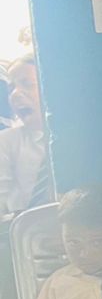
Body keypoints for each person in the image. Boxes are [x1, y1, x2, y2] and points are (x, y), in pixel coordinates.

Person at [0, 54, 51, 215]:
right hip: (22, 225)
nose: (15, 94)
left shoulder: (77, 139)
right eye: (11, 89)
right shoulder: (7, 141)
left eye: (28, 84)